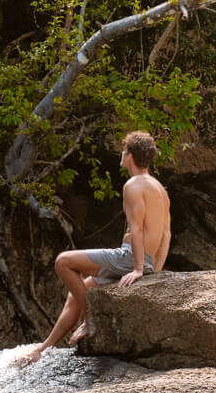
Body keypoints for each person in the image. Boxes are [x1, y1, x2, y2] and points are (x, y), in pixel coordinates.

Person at [18, 130, 170, 364]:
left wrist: (139, 269)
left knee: (63, 262)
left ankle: (91, 319)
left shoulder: (133, 185)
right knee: (77, 293)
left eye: (123, 150)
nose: (121, 154)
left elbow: (137, 229)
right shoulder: (160, 189)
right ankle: (43, 348)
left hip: (129, 259)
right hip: (144, 260)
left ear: (129, 156)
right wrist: (153, 271)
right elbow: (166, 235)